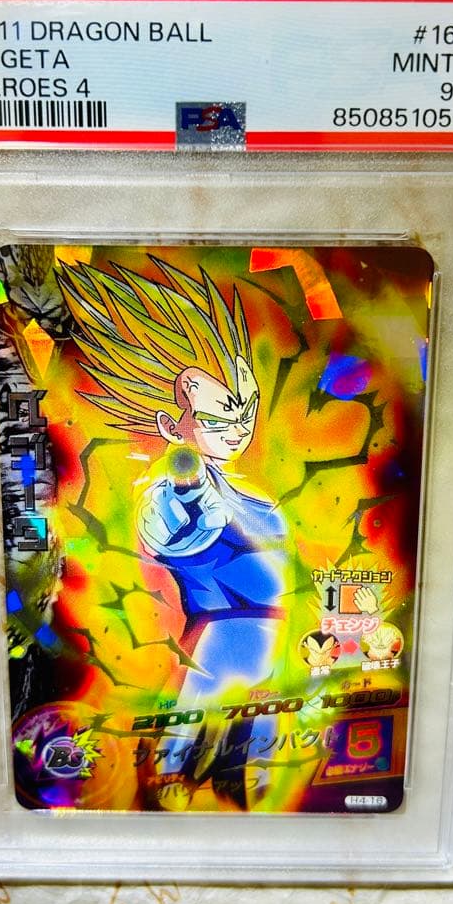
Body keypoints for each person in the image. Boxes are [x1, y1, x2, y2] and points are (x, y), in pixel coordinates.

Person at [57, 255, 288, 806]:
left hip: (270, 653)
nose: (237, 430)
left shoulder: (249, 493)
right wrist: (191, 507)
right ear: (171, 425)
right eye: (217, 419)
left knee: (253, 769)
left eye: (245, 411)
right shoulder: (177, 493)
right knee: (181, 755)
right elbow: (171, 534)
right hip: (222, 642)